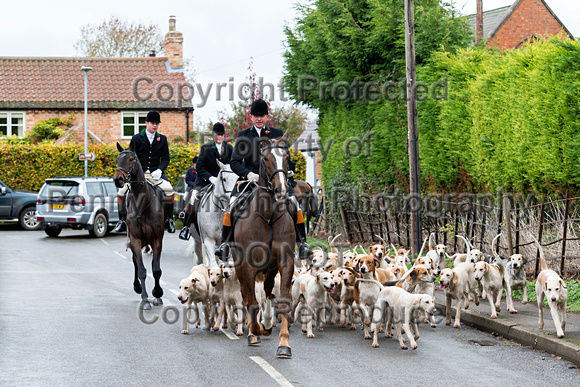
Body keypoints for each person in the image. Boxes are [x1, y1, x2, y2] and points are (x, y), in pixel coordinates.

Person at [215, 99, 312, 260]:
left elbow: (285, 158)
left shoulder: (277, 133)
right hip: (250, 180)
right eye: (256, 116)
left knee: (295, 204)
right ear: (251, 117)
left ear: (267, 117)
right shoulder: (244, 135)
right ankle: (225, 244)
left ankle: (302, 243)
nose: (259, 118)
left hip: (275, 181)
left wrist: (288, 172)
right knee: (231, 204)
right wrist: (248, 174)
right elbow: (234, 162)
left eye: (262, 115)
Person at [113, 110, 175, 233]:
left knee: (170, 191)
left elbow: (166, 158)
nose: (155, 125)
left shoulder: (162, 139)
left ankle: (169, 220)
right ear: (146, 123)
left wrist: (159, 170)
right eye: (152, 123)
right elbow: (132, 156)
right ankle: (122, 221)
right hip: (139, 175)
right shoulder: (136, 138)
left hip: (155, 174)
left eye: (157, 123)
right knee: (121, 193)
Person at [179, 122, 233, 240]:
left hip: (224, 183)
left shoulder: (229, 148)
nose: (219, 137)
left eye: (222, 135)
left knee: (234, 199)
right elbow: (199, 167)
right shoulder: (206, 148)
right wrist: (211, 178)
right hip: (205, 181)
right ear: (213, 135)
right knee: (193, 197)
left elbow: (233, 165)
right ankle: (186, 228)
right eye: (217, 135)